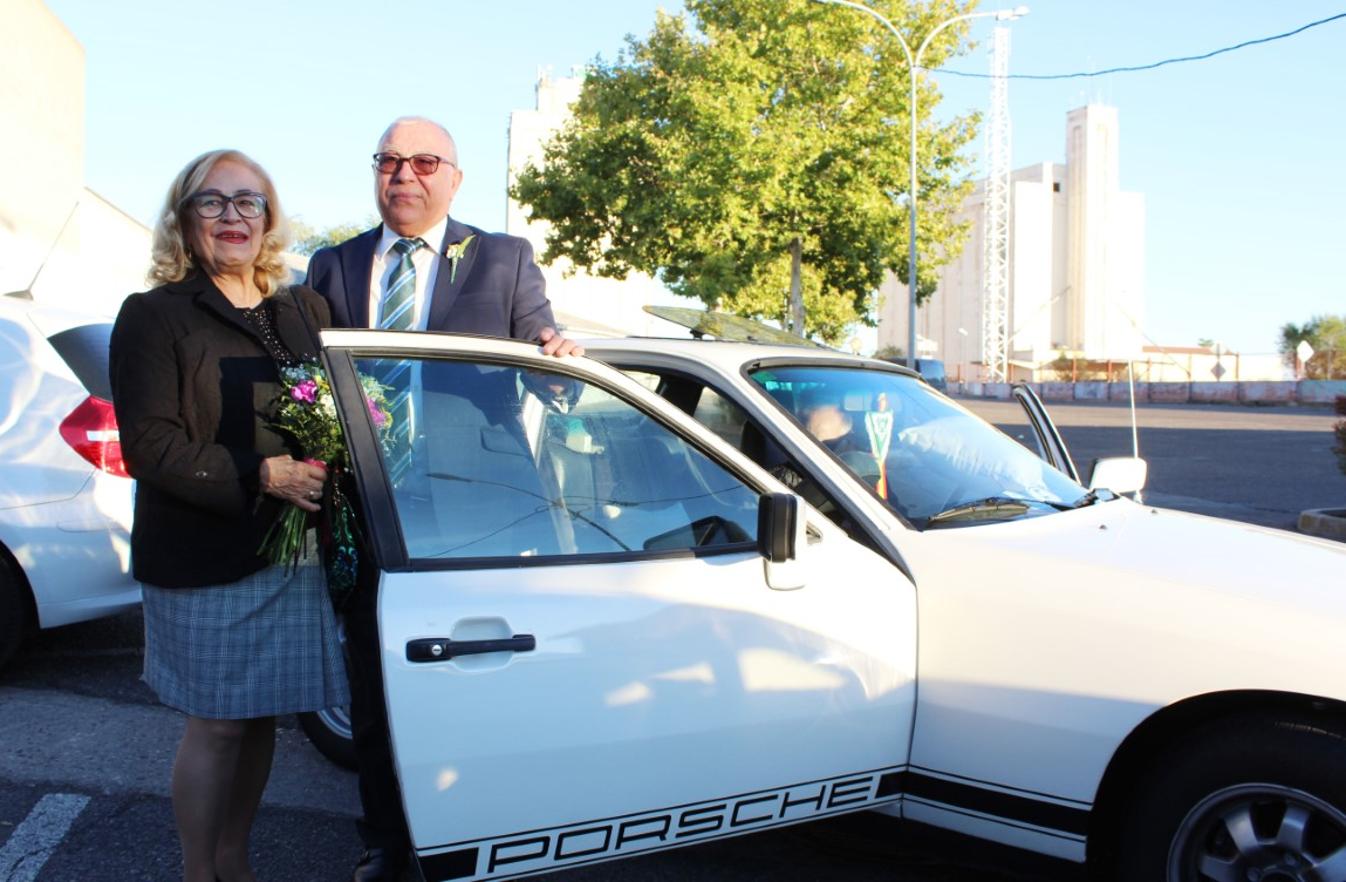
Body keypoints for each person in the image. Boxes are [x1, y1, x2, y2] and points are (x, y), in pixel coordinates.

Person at [305, 115, 581, 882]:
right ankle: (387, 841)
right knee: (376, 682)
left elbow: (543, 360)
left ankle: (490, 835)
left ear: (454, 177)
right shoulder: (333, 265)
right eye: (389, 161)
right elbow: (304, 381)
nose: (405, 174)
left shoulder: (502, 258)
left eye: (425, 161)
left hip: (480, 505)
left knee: (484, 679)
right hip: (365, 510)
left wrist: (556, 362)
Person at [109, 149, 348, 882]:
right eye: (212, 203)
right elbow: (150, 446)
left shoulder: (301, 310)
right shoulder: (156, 315)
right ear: (184, 219)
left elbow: (335, 411)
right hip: (206, 553)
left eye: (248, 202)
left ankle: (234, 860)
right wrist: (261, 473)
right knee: (215, 725)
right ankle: (197, 871)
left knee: (260, 717)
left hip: (292, 551)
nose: (232, 217)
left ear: (270, 219)